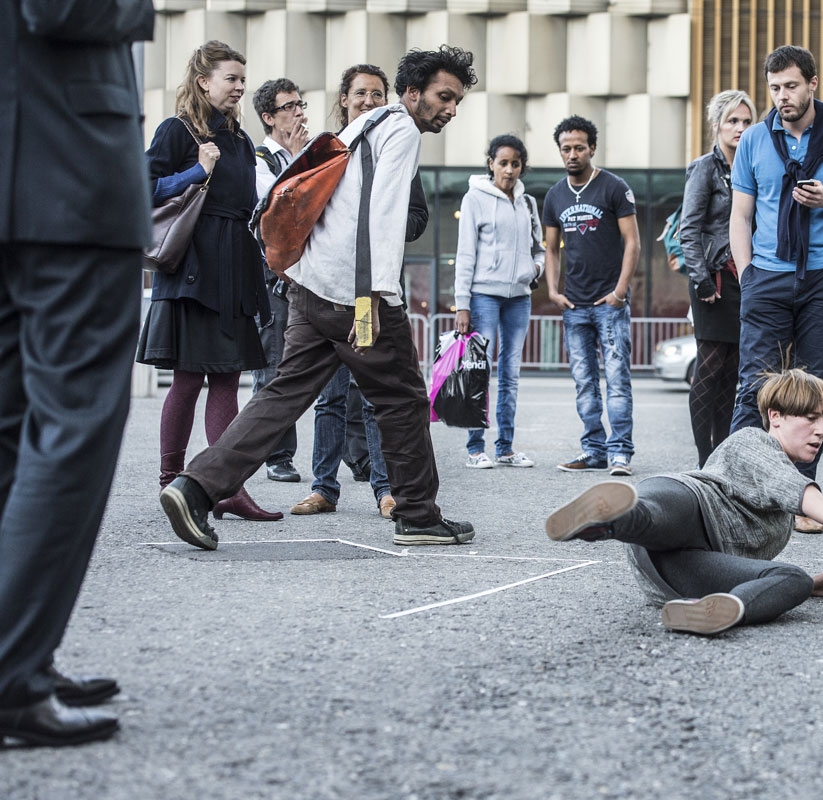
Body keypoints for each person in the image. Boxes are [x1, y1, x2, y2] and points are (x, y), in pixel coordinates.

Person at [160, 45, 478, 550]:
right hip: (354, 295)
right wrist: (373, 298)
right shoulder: (399, 131)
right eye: (444, 97)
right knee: (402, 399)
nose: (452, 109)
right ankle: (417, 515)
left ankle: (194, 487)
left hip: (310, 286)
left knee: (282, 394)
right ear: (413, 93)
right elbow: (381, 218)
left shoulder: (361, 126)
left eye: (457, 100)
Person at [0, 0, 154, 747]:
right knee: (73, 421)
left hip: (27, 160)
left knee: (11, 430)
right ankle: (11, 676)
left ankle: (21, 652)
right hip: (66, 166)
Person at [544, 369, 823, 636]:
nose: (821, 430)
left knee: (794, 579)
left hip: (670, 569)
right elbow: (791, 486)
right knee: (654, 513)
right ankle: (604, 521)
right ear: (775, 417)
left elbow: (745, 558)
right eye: (811, 417)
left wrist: (806, 585)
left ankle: (709, 613)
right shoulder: (752, 441)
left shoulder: (781, 521)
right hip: (685, 505)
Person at [728, 45, 823, 533]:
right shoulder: (754, 139)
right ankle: (736, 493)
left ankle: (802, 501)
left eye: (791, 86)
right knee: (755, 386)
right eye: (774, 88)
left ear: (813, 83)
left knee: (814, 388)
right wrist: (748, 275)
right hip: (766, 277)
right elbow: (741, 215)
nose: (782, 96)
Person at [137, 41, 281, 523]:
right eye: (231, 78)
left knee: (227, 378)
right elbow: (142, 188)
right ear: (203, 81)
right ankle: (171, 482)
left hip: (235, 264)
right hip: (194, 266)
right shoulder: (177, 130)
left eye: (243, 79)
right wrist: (196, 171)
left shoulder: (239, 138)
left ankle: (225, 487)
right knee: (188, 377)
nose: (240, 87)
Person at [291, 63, 429, 520]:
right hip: (328, 289)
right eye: (360, 94)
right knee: (329, 398)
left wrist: (378, 226)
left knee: (373, 394)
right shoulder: (333, 148)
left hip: (368, 293)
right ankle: (323, 488)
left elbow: (417, 216)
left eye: (376, 94)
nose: (368, 101)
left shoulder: (394, 144)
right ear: (344, 100)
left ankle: (385, 489)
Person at [543, 116, 641, 477]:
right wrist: (553, 291)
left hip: (609, 305)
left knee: (617, 381)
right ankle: (594, 450)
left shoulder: (614, 187)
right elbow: (551, 249)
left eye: (579, 148)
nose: (572, 154)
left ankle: (620, 452)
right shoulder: (555, 195)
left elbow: (633, 242)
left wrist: (619, 292)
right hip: (574, 306)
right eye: (566, 148)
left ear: (592, 148)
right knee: (584, 383)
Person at [453, 134, 545, 468]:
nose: (509, 170)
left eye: (515, 164)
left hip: (519, 297)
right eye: (503, 163)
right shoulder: (474, 198)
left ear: (522, 167)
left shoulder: (528, 203)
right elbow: (465, 254)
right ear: (491, 163)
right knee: (479, 371)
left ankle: (505, 448)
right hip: (484, 296)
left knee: (511, 374)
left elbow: (539, 247)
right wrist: (462, 303)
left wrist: (536, 268)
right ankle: (475, 449)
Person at [679, 90, 755, 467]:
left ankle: (721, 457)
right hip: (713, 280)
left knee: (731, 373)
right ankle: (703, 459)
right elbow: (688, 230)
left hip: (745, 279)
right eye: (732, 121)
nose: (740, 128)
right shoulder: (704, 168)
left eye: (746, 121)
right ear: (716, 126)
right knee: (708, 369)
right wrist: (702, 280)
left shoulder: (752, 166)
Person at [250, 76, 310, 484]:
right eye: (289, 106)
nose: (299, 112)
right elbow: (274, 208)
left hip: (308, 274)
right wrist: (297, 158)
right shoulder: (259, 160)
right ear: (269, 117)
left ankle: (357, 455)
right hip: (272, 279)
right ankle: (276, 454)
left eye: (300, 104)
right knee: (273, 368)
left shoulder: (310, 152)